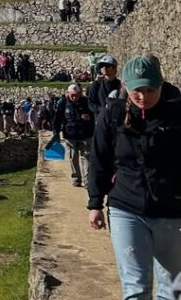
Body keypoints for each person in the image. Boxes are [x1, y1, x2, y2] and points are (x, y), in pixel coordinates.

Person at [88, 55, 181, 299]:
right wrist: (95, 203)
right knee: (135, 288)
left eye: (150, 89)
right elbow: (100, 159)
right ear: (126, 86)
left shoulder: (177, 114)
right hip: (126, 208)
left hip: (171, 210)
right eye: (137, 90)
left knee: (172, 289)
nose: (143, 96)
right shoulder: (113, 113)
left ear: (161, 84)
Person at [51, 83, 95, 187]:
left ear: (80, 93)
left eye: (76, 94)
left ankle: (87, 180)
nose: (74, 97)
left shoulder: (86, 102)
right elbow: (57, 119)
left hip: (85, 135)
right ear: (68, 94)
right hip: (70, 136)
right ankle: (76, 178)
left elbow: (95, 117)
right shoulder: (63, 103)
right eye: (72, 95)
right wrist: (55, 133)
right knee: (73, 157)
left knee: (87, 158)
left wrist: (89, 119)